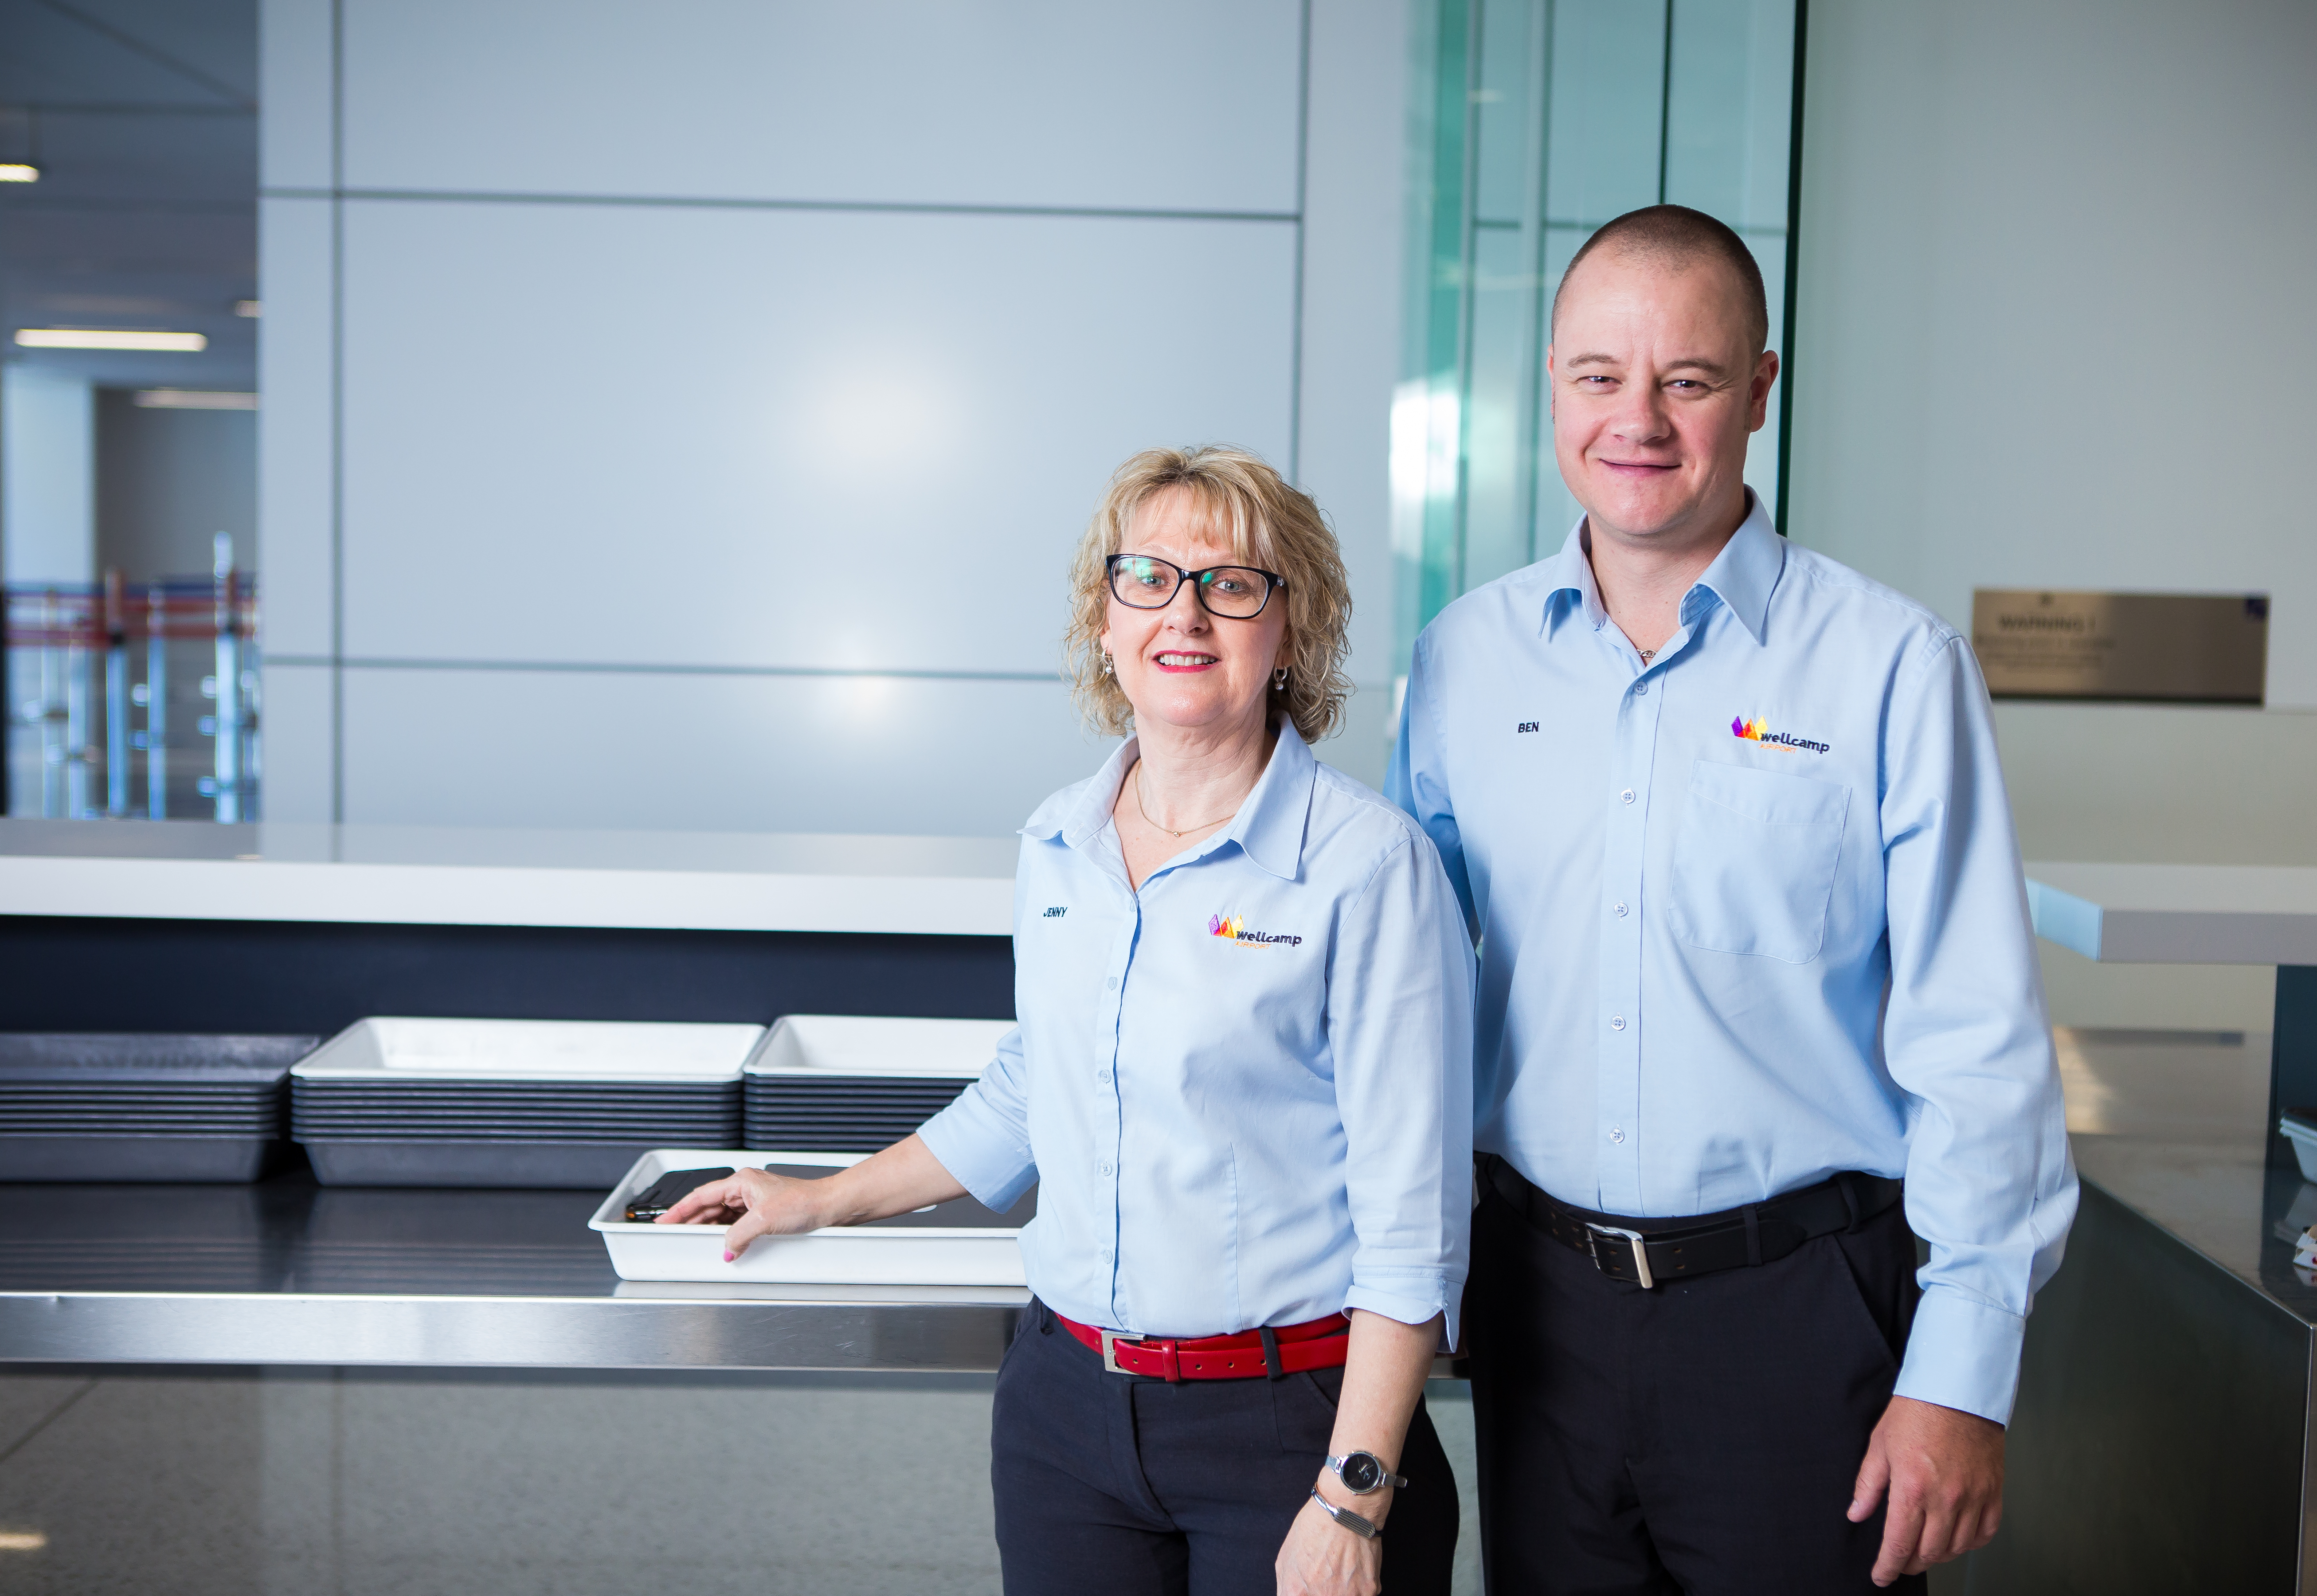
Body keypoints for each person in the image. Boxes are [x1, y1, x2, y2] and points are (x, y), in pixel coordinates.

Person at [1386, 204, 2079, 1593]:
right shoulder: (1464, 661)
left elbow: (1979, 1039)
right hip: (1539, 1312)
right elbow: (1408, 1002)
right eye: (1600, 376)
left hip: (1802, 1318)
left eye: (1688, 380)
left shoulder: (1892, 668)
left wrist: (1961, 1375)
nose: (1637, 420)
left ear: (1760, 390)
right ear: (1553, 384)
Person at [663, 444, 1476, 1596]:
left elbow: (1413, 1220)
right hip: (1066, 1414)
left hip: (1293, 1424)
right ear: (1106, 620)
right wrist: (820, 1196)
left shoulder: (1369, 866)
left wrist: (1354, 1492)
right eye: (1148, 576)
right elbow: (1033, 1088)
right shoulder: (1061, 842)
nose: (1184, 612)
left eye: (1232, 583)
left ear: (1292, 630)